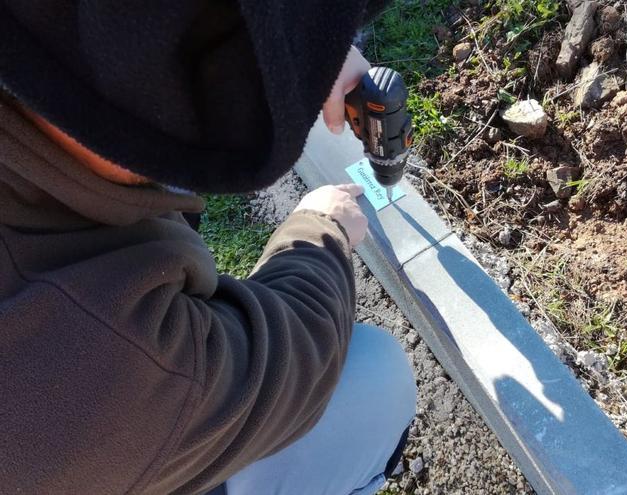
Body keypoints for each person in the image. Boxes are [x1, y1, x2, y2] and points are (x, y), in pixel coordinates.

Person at [0, 1, 416, 494]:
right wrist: (321, 229)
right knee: (376, 378)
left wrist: (295, 56)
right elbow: (288, 360)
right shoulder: (117, 355)